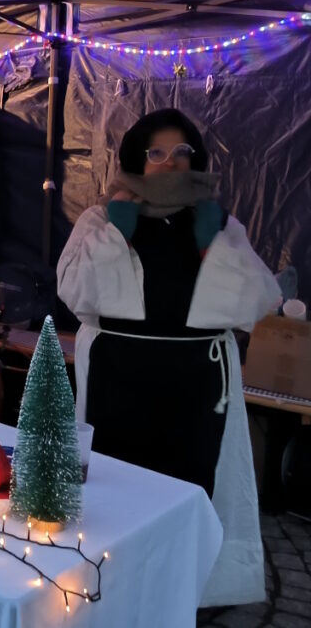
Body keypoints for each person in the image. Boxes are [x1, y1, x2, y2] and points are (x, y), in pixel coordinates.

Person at [57, 108, 281, 607]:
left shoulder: (216, 220)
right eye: (156, 152)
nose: (169, 163)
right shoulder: (101, 217)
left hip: (195, 385)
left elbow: (254, 301)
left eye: (181, 152)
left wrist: (213, 243)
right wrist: (119, 228)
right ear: (138, 157)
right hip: (121, 381)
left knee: (188, 489)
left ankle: (182, 593)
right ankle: (112, 588)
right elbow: (76, 291)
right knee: (119, 487)